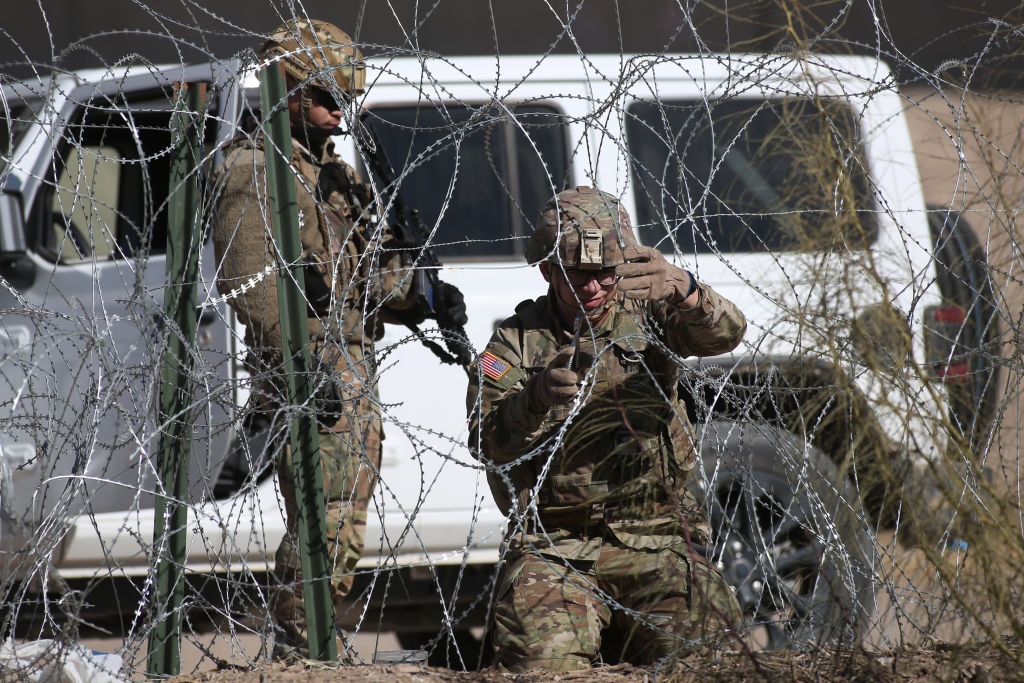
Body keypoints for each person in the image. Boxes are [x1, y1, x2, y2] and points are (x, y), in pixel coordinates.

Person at [211, 19, 465, 656]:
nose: (337, 114)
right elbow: (251, 285)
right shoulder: (252, 171)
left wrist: (423, 296)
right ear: (286, 92)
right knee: (324, 514)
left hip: (352, 365)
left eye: (343, 100)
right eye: (325, 98)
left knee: (346, 515)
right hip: (311, 371)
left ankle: (313, 636)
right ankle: (306, 640)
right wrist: (298, 366)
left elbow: (368, 272)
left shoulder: (335, 175)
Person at [466, 186, 747, 672]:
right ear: (549, 271)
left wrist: (684, 287)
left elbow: (728, 333)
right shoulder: (510, 344)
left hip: (658, 536)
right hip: (555, 546)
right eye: (578, 276)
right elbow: (485, 440)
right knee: (541, 664)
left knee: (709, 660)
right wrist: (535, 399)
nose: (593, 289)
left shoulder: (654, 313)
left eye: (604, 275)